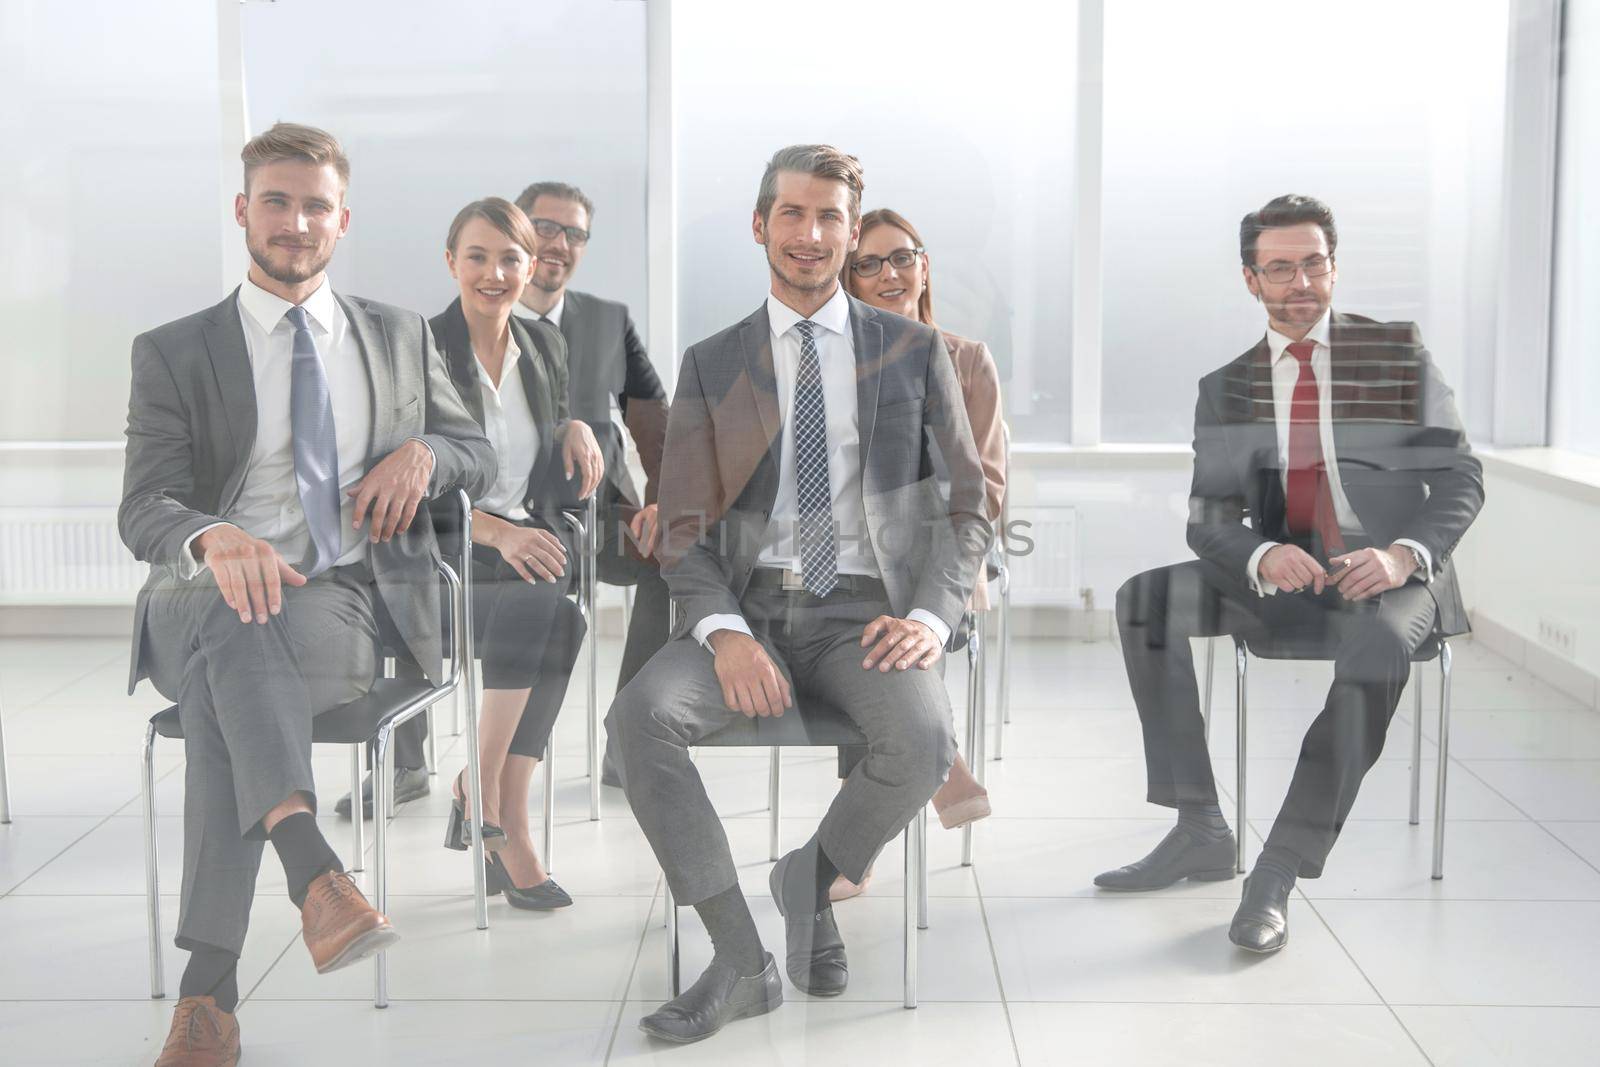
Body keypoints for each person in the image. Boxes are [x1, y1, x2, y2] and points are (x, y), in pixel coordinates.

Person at [121, 123, 496, 1066]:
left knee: (223, 698)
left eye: (314, 205)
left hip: (335, 602)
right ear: (243, 209)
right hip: (194, 597)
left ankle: (208, 999)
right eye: (277, 202)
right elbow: (144, 508)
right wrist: (212, 534)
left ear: (342, 218)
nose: (295, 222)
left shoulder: (400, 335)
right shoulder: (174, 350)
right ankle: (313, 870)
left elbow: (477, 454)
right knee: (224, 609)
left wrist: (424, 451)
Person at [611, 145, 991, 1043]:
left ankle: (806, 880)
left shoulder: (914, 350)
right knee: (639, 720)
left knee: (926, 737)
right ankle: (743, 959)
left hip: (869, 612)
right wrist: (725, 632)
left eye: (830, 218)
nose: (811, 234)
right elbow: (684, 526)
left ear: (852, 233)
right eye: (793, 214)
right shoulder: (715, 363)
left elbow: (971, 507)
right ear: (761, 225)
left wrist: (935, 617)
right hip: (753, 609)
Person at [1096, 195, 1484, 954]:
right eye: (1280, 267)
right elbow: (1208, 518)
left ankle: (1276, 868)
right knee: (1144, 599)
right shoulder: (1227, 386)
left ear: (1333, 267)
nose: (1299, 280)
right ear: (1252, 280)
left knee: (1377, 648)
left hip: (1391, 576)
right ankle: (1199, 823)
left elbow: (1462, 477)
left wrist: (1403, 553)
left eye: (1313, 262)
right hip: (1288, 577)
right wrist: (1259, 554)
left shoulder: (1396, 355)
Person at [428, 197, 606, 907]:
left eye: (510, 258)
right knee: (543, 599)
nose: (494, 272)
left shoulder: (544, 346)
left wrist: (574, 424)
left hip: (518, 546)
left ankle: (490, 796)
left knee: (566, 617)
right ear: (452, 262)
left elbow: (546, 415)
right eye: (477, 256)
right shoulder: (419, 351)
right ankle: (496, 811)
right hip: (441, 555)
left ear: (531, 267)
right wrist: (497, 531)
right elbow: (404, 481)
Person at [828, 207, 1007, 900]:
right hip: (873, 553)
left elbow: (986, 483)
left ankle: (854, 846)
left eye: (901, 256)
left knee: (871, 607)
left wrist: (959, 555)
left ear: (924, 266)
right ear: (849, 280)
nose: (888, 273)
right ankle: (944, 764)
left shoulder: (966, 358)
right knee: (859, 599)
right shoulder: (841, 365)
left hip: (953, 545)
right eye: (867, 264)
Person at [511, 181, 671, 786]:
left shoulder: (607, 321)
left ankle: (628, 739)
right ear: (517, 228)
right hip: (512, 522)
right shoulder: (479, 317)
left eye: (573, 233)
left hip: (599, 519)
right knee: (410, 552)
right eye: (545, 227)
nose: (558, 243)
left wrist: (659, 502)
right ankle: (412, 762)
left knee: (675, 555)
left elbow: (654, 421)